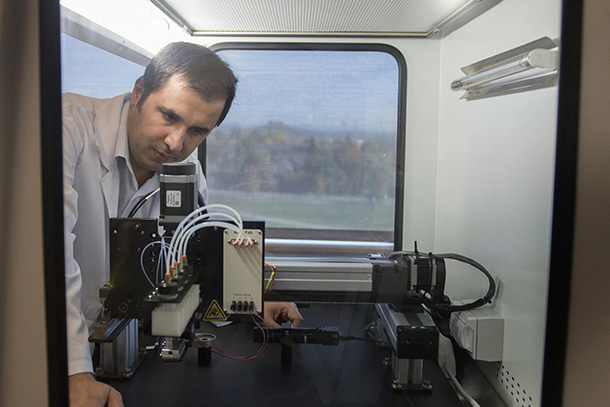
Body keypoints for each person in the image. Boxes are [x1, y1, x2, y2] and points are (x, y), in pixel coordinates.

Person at [63, 42, 303, 407]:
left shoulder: (188, 176)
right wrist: (73, 372)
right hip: (50, 347)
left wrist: (250, 304)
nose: (176, 143)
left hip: (109, 346)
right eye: (169, 116)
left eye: (197, 131)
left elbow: (195, 263)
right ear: (139, 91)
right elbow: (47, 258)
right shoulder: (66, 130)